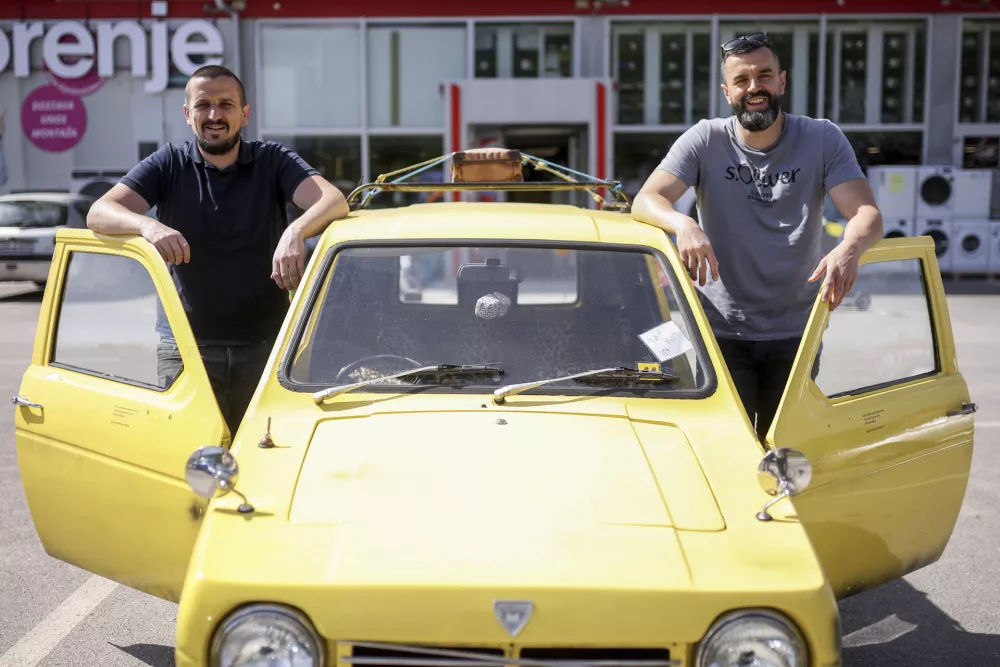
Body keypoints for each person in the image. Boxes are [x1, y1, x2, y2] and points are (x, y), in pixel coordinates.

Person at [631, 31, 883, 442]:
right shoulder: (705, 139)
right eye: (743, 80)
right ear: (727, 91)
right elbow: (646, 199)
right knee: (725, 446)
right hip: (720, 333)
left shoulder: (821, 138)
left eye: (764, 76)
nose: (754, 88)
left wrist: (849, 248)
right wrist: (684, 224)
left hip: (797, 330)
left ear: (781, 82)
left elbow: (867, 215)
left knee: (786, 449)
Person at [87, 64, 350, 435]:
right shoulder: (169, 164)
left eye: (225, 104)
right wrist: (148, 225)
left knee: (265, 457)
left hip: (269, 348)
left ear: (244, 114)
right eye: (203, 104)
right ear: (187, 114)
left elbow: (334, 201)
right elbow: (98, 213)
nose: (214, 115)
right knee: (187, 464)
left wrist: (296, 230)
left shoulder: (272, 161)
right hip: (185, 350)